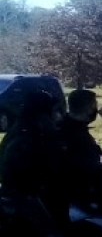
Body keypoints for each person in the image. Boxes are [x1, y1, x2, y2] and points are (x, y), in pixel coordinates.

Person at [0, 90, 68, 225]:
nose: (58, 116)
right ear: (43, 114)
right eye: (54, 112)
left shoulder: (22, 132)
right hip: (30, 207)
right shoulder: (30, 140)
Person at [59, 89, 102, 207]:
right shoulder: (76, 135)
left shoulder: (64, 127)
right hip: (78, 196)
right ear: (89, 108)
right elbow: (87, 167)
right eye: (94, 105)